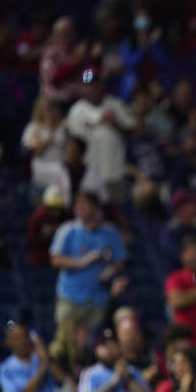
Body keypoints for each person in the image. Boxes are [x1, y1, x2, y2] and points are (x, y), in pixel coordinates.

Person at [49, 191, 127, 330]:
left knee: (93, 341)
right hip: (70, 296)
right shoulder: (68, 230)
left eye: (84, 204)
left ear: (96, 208)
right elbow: (55, 259)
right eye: (77, 204)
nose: (79, 208)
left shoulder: (111, 232)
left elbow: (120, 261)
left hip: (99, 299)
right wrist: (82, 262)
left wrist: (111, 271)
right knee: (65, 342)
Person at [66, 67, 136, 204]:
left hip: (115, 171)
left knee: (117, 210)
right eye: (87, 85)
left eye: (94, 84)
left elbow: (132, 132)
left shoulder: (115, 104)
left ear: (101, 85)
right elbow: (74, 144)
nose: (91, 89)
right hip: (90, 173)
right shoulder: (76, 110)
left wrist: (115, 123)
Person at [22, 95, 69, 194]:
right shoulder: (33, 128)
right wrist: (49, 137)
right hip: (41, 172)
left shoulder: (62, 128)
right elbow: (36, 151)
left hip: (60, 174)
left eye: (50, 108)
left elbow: (69, 150)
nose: (48, 112)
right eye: (44, 108)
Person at [27, 185, 71, 267]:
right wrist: (48, 237)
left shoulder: (66, 217)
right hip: (40, 260)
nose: (55, 212)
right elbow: (31, 239)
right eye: (52, 208)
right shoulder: (38, 217)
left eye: (58, 208)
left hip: (60, 259)